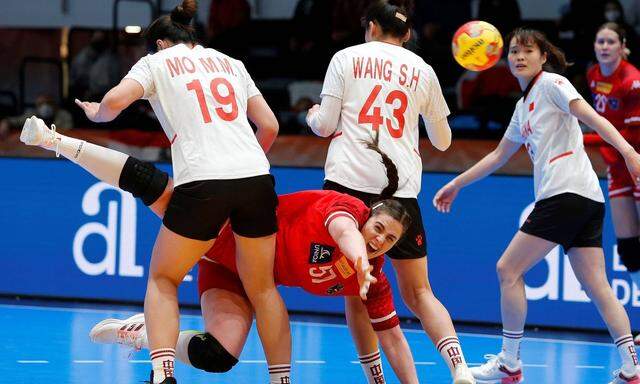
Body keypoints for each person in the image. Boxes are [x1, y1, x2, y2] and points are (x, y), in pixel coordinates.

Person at [20, 116, 416, 383]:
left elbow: (392, 338)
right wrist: (361, 255)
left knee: (220, 358)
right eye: (378, 229)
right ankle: (55, 139)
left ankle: (142, 334)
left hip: (237, 278)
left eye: (389, 240)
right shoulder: (345, 210)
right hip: (230, 232)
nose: (379, 240)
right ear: (368, 216)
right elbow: (345, 230)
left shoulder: (373, 277)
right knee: (156, 189)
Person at [60, 1, 307, 382]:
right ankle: (282, 379)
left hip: (204, 181)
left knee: (164, 279)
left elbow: (114, 103)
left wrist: (95, 113)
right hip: (257, 178)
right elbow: (270, 125)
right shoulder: (231, 63)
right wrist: (243, 163)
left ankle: (163, 374)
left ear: (160, 43)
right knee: (262, 289)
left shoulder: (155, 63)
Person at [433, 28, 640, 384]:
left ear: (543, 57)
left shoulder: (553, 85)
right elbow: (499, 155)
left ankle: (509, 362)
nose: (518, 56)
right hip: (586, 198)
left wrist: (630, 152)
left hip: (565, 195)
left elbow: (595, 119)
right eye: (513, 51)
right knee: (597, 286)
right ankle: (632, 367)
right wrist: (456, 183)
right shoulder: (521, 107)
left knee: (507, 270)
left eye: (527, 51)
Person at [305, 1, 475, 383]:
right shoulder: (423, 70)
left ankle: (376, 378)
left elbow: (324, 125)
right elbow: (443, 142)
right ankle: (460, 367)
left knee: (356, 289)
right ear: (408, 35)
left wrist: (312, 115)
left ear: (369, 27)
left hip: (348, 189)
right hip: (400, 194)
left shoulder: (345, 58)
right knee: (419, 292)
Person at [586, 22, 640, 348]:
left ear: (622, 46)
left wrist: (583, 138)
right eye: (600, 41)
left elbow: (632, 138)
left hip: (636, 160)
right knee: (630, 249)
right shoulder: (594, 75)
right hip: (617, 167)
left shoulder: (632, 82)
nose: (604, 47)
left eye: (610, 42)